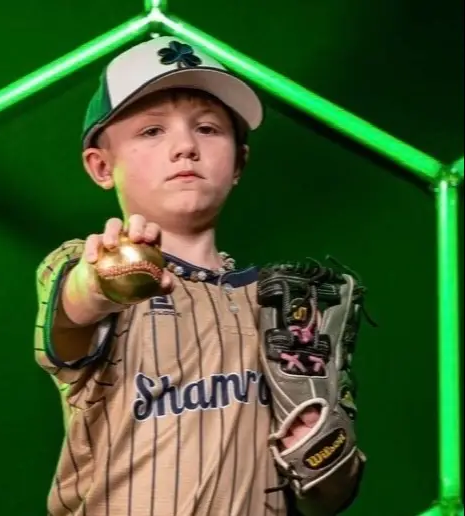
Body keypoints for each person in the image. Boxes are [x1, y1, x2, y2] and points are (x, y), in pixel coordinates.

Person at [34, 36, 365, 516]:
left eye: (208, 128)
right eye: (152, 130)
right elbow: (76, 306)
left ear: (239, 163)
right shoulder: (80, 261)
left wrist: (318, 445)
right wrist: (100, 279)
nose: (186, 147)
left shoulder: (287, 309)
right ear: (102, 166)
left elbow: (330, 498)